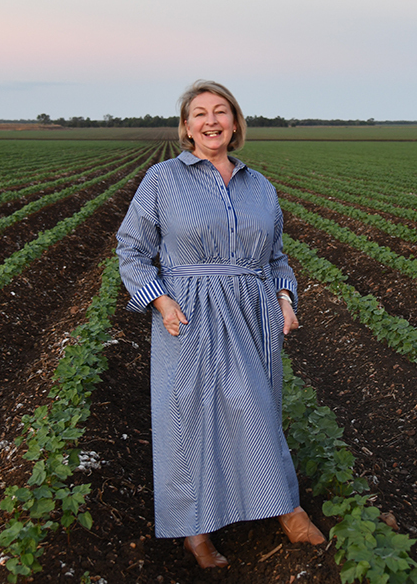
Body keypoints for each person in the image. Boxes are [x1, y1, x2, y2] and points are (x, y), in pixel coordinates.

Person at [116, 80, 325, 569]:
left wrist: (286, 297)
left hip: (251, 311)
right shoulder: (163, 180)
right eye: (200, 113)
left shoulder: (260, 186)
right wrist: (161, 302)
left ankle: (284, 509)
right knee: (188, 415)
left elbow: (275, 257)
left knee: (256, 408)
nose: (212, 121)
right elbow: (132, 250)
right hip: (189, 312)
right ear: (187, 127)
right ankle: (195, 528)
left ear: (236, 122)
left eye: (221, 111)